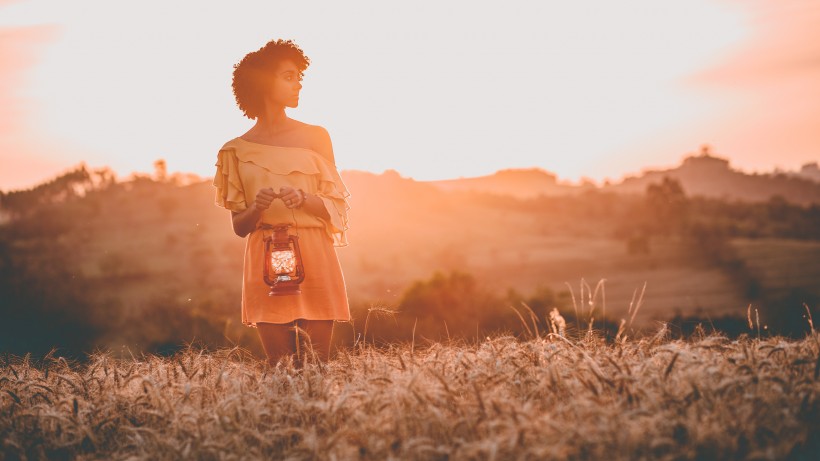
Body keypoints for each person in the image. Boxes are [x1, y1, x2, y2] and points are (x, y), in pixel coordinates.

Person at [213, 39, 350, 366]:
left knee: (317, 369)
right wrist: (257, 208)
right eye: (289, 76)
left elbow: (337, 209)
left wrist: (305, 199)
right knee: (281, 372)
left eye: (299, 77)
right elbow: (238, 227)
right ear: (263, 82)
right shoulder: (233, 151)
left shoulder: (317, 136)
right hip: (264, 260)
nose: (298, 84)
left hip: (315, 251)